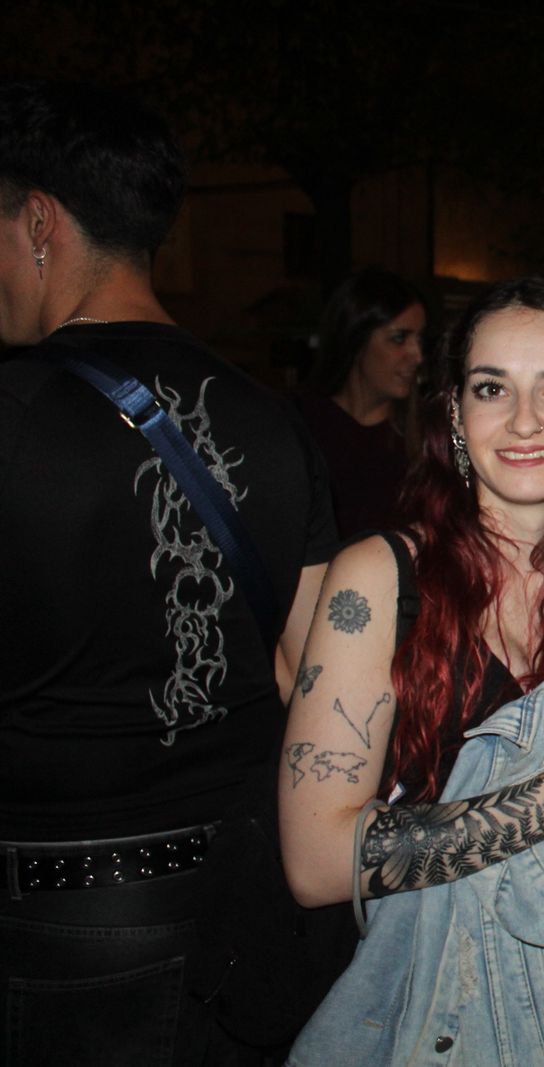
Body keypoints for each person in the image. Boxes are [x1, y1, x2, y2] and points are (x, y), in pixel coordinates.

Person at [277, 276, 544, 1061]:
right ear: (455, 415)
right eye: (491, 388)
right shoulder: (378, 579)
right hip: (421, 1011)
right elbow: (315, 862)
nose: (526, 420)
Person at [0, 80, 335, 1063]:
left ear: (41, 221)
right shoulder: (273, 421)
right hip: (245, 908)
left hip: (57, 925)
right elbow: (309, 676)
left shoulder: (13, 417)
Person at [297, 267, 426, 537]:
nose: (417, 355)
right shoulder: (300, 425)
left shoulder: (424, 436)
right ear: (356, 339)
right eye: (399, 338)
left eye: (419, 339)